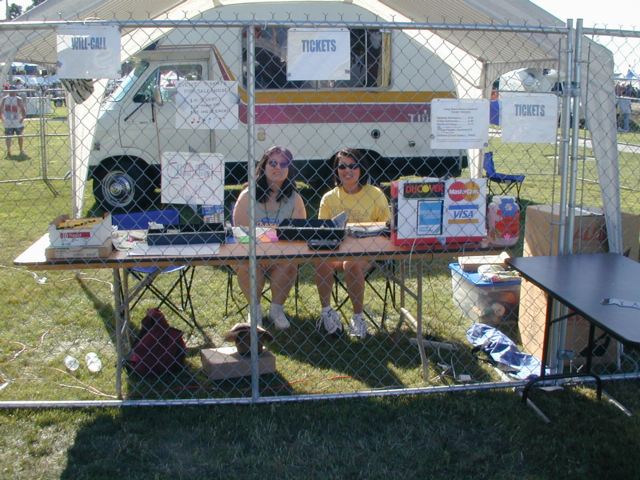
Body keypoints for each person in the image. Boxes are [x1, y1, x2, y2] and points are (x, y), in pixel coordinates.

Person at [315, 148, 391, 339]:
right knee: (320, 260)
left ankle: (357, 317)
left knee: (352, 263)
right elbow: (322, 233)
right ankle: (327, 313)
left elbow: (388, 228)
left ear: (361, 169)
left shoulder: (375, 194)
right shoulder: (329, 198)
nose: (347, 170)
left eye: (353, 166)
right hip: (336, 251)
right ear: (336, 170)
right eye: (342, 166)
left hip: (367, 252)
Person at [232, 146, 306, 330]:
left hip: (281, 255)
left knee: (290, 263)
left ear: (289, 169)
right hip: (252, 253)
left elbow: (299, 234)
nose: (277, 167)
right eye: (273, 163)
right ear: (263, 166)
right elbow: (240, 233)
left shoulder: (295, 199)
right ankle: (254, 310)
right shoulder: (247, 196)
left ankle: (276, 310)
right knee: (247, 263)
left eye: (283, 164)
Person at [1, 85, 27, 158]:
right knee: (17, 136)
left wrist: (22, 117)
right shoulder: (16, 99)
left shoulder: (6, 99)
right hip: (13, 121)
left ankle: (12, 151)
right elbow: (23, 109)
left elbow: (22, 109)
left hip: (12, 121)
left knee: (13, 136)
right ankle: (15, 150)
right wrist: (23, 117)